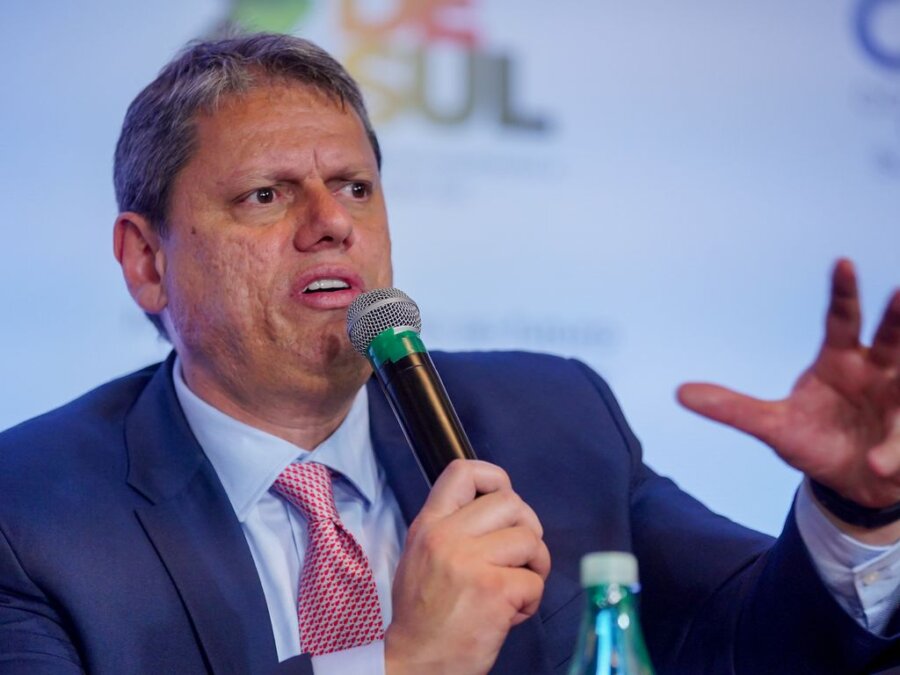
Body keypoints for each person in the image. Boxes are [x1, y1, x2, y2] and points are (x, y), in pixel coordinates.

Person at [0, 32, 897, 675]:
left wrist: (851, 509)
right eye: (267, 194)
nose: (333, 224)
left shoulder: (553, 418)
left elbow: (754, 644)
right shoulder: (31, 515)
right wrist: (400, 662)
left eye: (355, 186)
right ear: (147, 261)